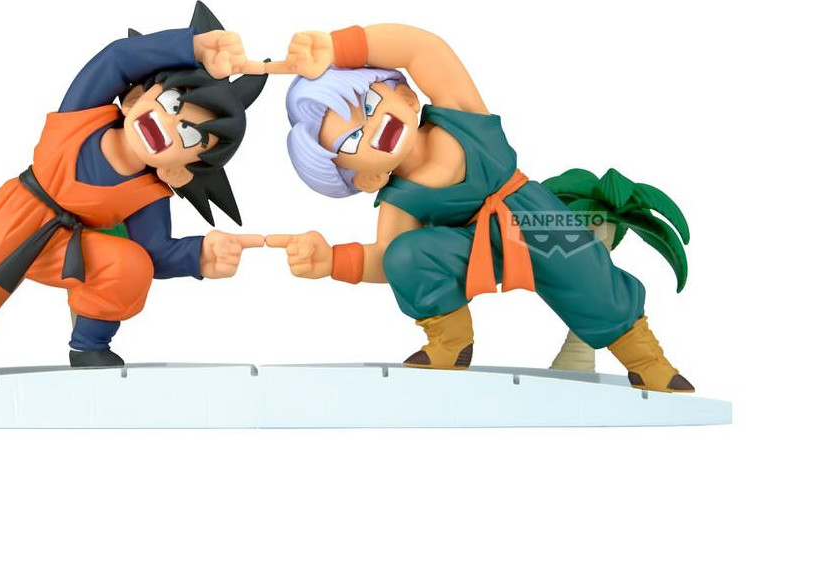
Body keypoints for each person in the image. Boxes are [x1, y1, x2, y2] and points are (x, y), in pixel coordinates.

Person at [261, 24, 693, 393]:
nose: (374, 128)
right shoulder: (398, 198)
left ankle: (646, 360)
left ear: (407, 97)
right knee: (405, 254)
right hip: (470, 248)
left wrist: (338, 47)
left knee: (584, 271)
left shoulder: (460, 114)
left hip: (532, 215)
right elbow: (386, 258)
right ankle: (450, 344)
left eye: (371, 107)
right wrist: (331, 260)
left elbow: (423, 49)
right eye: (352, 140)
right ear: (364, 178)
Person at [0, 2, 266, 386]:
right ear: (136, 97)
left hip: (68, 247)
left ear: (186, 167)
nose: (168, 125)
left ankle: (88, 349)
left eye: (190, 136)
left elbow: (155, 252)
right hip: (16, 217)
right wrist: (190, 46)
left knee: (129, 264)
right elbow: (116, 60)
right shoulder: (82, 117)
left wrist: (201, 255)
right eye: (172, 103)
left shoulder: (150, 191)